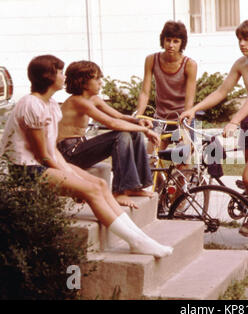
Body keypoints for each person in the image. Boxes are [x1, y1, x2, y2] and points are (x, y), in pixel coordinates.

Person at [0, 55, 172, 257]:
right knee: (90, 190)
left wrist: (69, 173)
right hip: (26, 170)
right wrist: (72, 182)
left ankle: (140, 238)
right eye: (60, 72)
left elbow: (51, 150)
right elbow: (43, 155)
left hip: (45, 163)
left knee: (99, 185)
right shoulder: (31, 105)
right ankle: (136, 241)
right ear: (48, 76)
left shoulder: (51, 105)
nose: (64, 77)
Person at [181, 20, 248, 249]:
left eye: (246, 39)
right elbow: (222, 91)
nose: (242, 43)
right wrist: (194, 109)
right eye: (239, 39)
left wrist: (234, 120)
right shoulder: (240, 64)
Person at [57, 60, 160, 209]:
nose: (101, 83)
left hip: (80, 146)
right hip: (68, 153)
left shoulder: (93, 99)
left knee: (134, 134)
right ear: (83, 82)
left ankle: (135, 187)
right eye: (97, 78)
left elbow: (119, 117)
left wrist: (138, 123)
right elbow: (111, 123)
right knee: (121, 135)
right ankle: (119, 191)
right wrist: (145, 130)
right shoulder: (78, 102)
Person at [136, 20, 197, 152]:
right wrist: (138, 116)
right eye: (168, 40)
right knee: (151, 160)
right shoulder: (151, 60)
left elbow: (189, 99)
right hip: (161, 119)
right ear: (162, 40)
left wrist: (184, 127)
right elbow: (145, 92)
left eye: (176, 41)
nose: (171, 45)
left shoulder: (189, 64)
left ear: (182, 43)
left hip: (182, 118)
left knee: (182, 162)